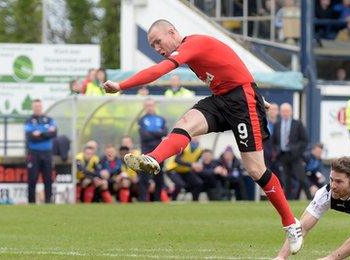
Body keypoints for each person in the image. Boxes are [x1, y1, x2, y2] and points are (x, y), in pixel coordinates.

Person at [102, 19, 303, 253]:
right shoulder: (193, 51)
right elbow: (230, 64)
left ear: (172, 32)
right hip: (223, 99)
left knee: (255, 169)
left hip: (241, 102)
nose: (156, 48)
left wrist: (121, 85)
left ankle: (291, 223)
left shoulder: (192, 45)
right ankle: (154, 159)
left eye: (158, 41)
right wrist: (257, 94)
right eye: (152, 44)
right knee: (186, 123)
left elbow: (159, 71)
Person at [272, 103, 310, 200]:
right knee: (286, 179)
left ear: (291, 112)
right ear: (280, 113)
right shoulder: (277, 125)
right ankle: (287, 200)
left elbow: (305, 140)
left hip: (295, 156)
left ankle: (310, 198)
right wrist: (276, 150)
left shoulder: (297, 124)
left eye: (287, 111)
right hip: (283, 155)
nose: (285, 113)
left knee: (301, 177)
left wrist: (296, 149)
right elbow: (274, 141)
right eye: (283, 111)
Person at [24, 99, 57, 204]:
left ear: (42, 107)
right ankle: (31, 203)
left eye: (39, 106)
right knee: (32, 179)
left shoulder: (49, 119)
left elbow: (54, 133)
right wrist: (45, 133)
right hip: (34, 154)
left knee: (48, 179)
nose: (37, 108)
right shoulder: (29, 120)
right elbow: (31, 136)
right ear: (33, 108)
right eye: (35, 107)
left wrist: (40, 133)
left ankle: (48, 202)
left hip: (47, 153)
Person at [137, 98, 167, 202]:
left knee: (159, 176)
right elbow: (144, 135)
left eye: (151, 105)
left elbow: (165, 133)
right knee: (144, 176)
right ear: (144, 107)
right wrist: (157, 133)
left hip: (159, 151)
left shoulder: (161, 119)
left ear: (154, 106)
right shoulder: (142, 120)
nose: (150, 107)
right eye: (147, 105)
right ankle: (142, 200)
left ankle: (157, 199)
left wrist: (152, 133)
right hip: (146, 152)